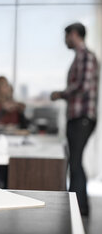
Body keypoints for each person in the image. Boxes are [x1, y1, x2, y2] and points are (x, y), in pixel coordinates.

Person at [51, 22, 99, 216]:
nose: (65, 40)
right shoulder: (80, 57)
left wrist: (60, 94)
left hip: (82, 117)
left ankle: (77, 208)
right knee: (75, 162)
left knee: (76, 162)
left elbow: (83, 86)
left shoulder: (86, 56)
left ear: (74, 34)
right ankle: (80, 207)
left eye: (66, 36)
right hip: (79, 117)